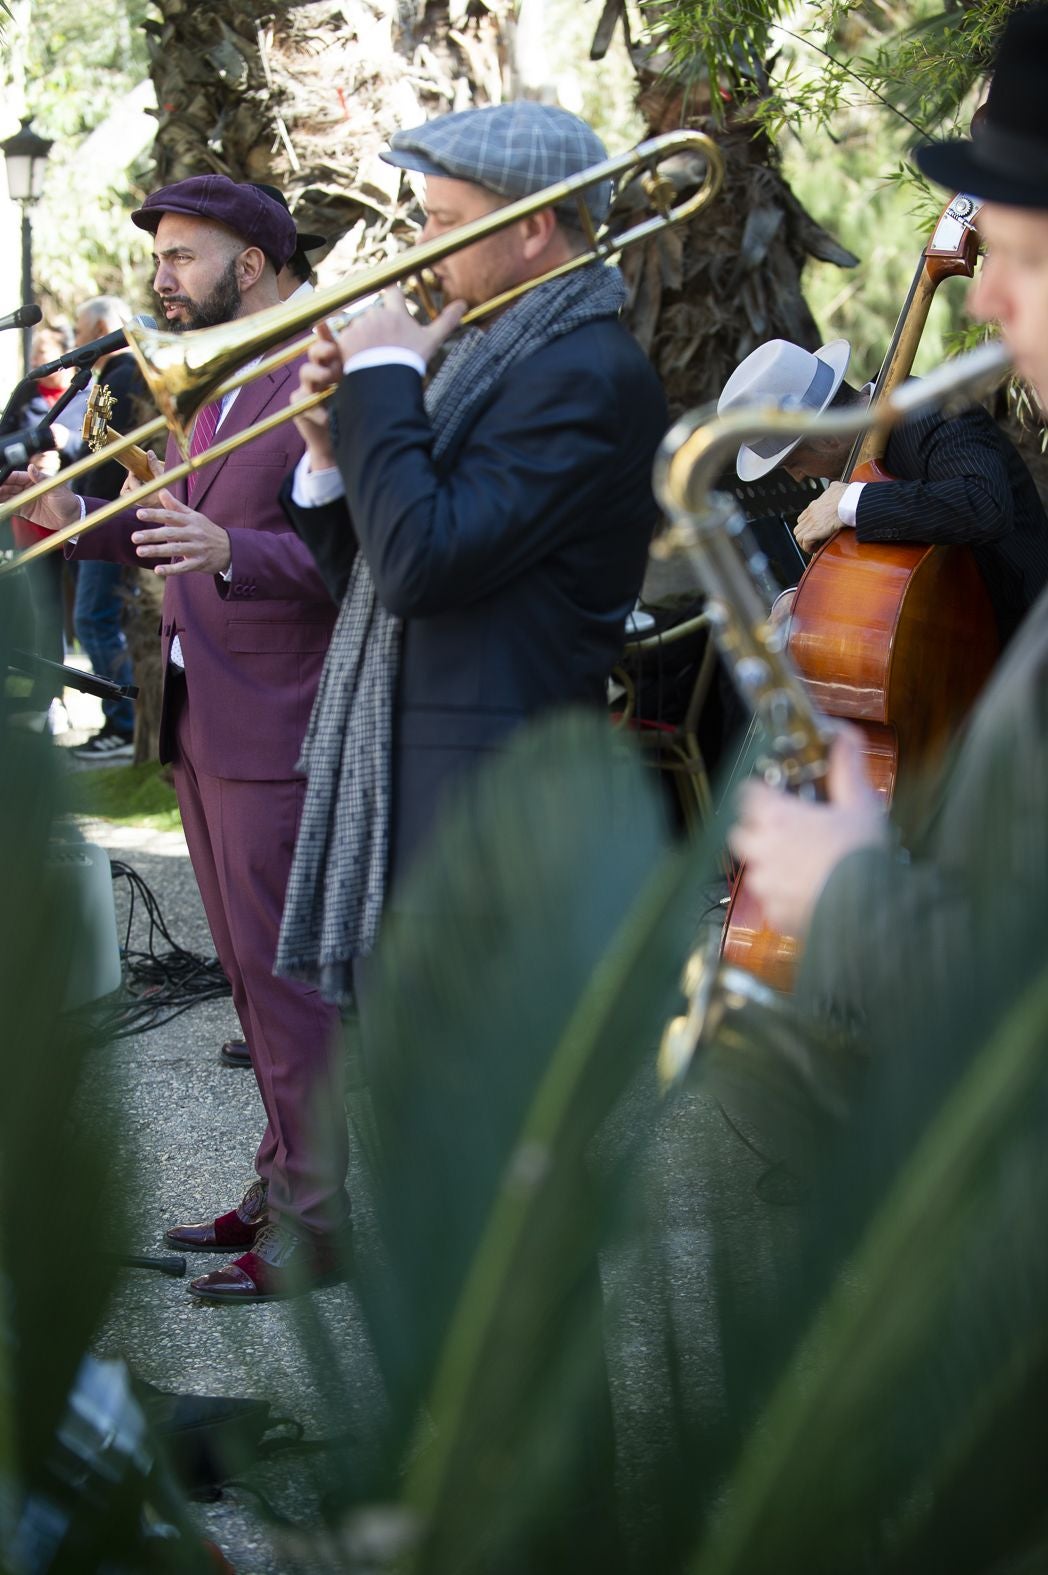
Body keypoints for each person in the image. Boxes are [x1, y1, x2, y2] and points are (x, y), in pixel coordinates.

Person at [0, 176, 348, 1305]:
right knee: (249, 984)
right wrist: (65, 520)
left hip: (279, 721)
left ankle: (318, 1221)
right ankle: (279, 1179)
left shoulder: (326, 366)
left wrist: (237, 553)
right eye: (158, 259)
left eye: (181, 257)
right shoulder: (207, 378)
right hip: (202, 717)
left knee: (288, 991)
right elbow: (179, 528)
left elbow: (368, 557)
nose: (161, 279)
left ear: (251, 262)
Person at [276, 100, 669, 1001]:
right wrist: (330, 456)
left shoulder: (583, 374)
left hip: (487, 818)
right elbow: (374, 575)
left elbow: (423, 565)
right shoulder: (498, 357)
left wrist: (382, 380)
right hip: (427, 805)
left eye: (444, 221)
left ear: (534, 227)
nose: (422, 244)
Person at [726, 2, 1048, 1040]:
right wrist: (807, 602)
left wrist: (856, 498)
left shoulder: (932, 426)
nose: (991, 299)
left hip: (996, 679)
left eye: (1027, 260)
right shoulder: (840, 483)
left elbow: (980, 507)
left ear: (821, 428)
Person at [717, 335, 1048, 646]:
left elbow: (985, 504)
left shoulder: (930, 410)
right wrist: (803, 597)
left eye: (792, 464)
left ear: (825, 437)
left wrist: (850, 502)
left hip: (1026, 636)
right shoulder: (848, 462)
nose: (798, 479)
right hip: (960, 641)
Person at [68, 295, 144, 757]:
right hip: (101, 514)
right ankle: (123, 722)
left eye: (79, 333)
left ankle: (123, 722)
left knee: (93, 618)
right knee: (98, 618)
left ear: (101, 328)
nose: (76, 343)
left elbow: (108, 457)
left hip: (108, 517)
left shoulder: (122, 374)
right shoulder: (113, 375)